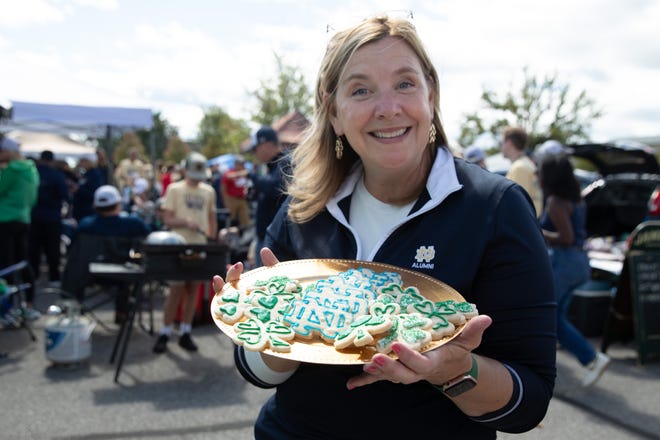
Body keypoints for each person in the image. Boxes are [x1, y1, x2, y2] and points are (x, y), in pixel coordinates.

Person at [212, 15, 556, 439]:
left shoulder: (495, 207)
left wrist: (453, 369)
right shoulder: (303, 206)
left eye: (405, 84)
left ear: (431, 93)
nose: (388, 108)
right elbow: (258, 372)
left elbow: (529, 402)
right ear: (334, 111)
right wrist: (271, 327)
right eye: (361, 90)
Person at [538, 153, 610, 387]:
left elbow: (565, 238)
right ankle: (587, 358)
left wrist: (538, 232)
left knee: (550, 318)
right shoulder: (577, 198)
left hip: (564, 262)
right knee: (557, 317)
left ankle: (591, 358)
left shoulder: (556, 202)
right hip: (579, 262)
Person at [153, 152, 217, 353]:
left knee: (193, 289)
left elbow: (211, 216)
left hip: (200, 244)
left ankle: (185, 331)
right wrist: (186, 222)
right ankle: (165, 330)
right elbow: (167, 219)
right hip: (177, 243)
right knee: (176, 289)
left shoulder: (208, 191)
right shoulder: (174, 189)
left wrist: (212, 238)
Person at [72, 185, 150, 323]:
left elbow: (74, 253)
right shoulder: (134, 224)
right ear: (118, 204)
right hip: (124, 275)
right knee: (131, 270)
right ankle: (122, 312)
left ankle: (75, 311)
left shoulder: (85, 225)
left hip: (87, 275)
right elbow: (149, 237)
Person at [0, 136, 40, 320]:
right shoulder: (31, 170)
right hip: (24, 219)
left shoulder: (11, 170)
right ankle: (28, 306)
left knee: (6, 265)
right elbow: (33, 199)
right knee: (23, 262)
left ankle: (7, 309)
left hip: (5, 220)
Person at [245, 126, 290, 267]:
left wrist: (252, 177)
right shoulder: (271, 166)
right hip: (267, 238)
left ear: (267, 145)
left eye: (255, 149)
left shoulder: (285, 161)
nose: (254, 153)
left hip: (275, 241)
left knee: (268, 287)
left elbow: (275, 188)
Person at [28, 150, 70, 286]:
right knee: (53, 249)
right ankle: (54, 277)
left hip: (34, 216)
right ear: (52, 161)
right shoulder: (57, 175)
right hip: (52, 217)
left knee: (34, 248)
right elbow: (66, 195)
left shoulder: (33, 173)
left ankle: (33, 276)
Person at [500, 126, 542, 216]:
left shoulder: (519, 168)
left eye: (502, 142)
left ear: (509, 143)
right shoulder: (526, 163)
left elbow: (517, 204)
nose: (501, 146)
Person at [220, 155, 251, 229]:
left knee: (245, 219)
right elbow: (223, 188)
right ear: (236, 164)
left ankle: (242, 235)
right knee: (230, 219)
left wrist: (245, 190)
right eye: (241, 164)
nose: (242, 166)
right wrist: (226, 201)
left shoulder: (244, 173)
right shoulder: (229, 173)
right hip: (232, 199)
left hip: (242, 199)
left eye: (243, 164)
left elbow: (246, 183)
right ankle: (227, 234)